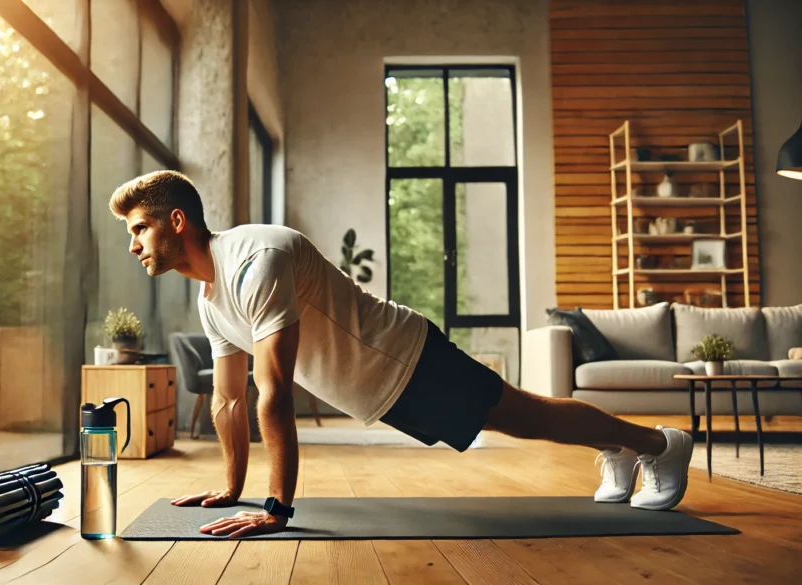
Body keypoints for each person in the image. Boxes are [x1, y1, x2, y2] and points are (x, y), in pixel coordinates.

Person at [110, 170, 694, 539]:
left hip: (406, 360)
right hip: (379, 386)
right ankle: (618, 445)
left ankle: (657, 445)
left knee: (525, 416)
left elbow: (275, 391)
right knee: (523, 417)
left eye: (138, 229)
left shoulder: (253, 259)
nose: (133, 245)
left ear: (176, 221)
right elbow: (229, 399)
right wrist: (232, 487)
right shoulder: (214, 300)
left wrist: (275, 509)